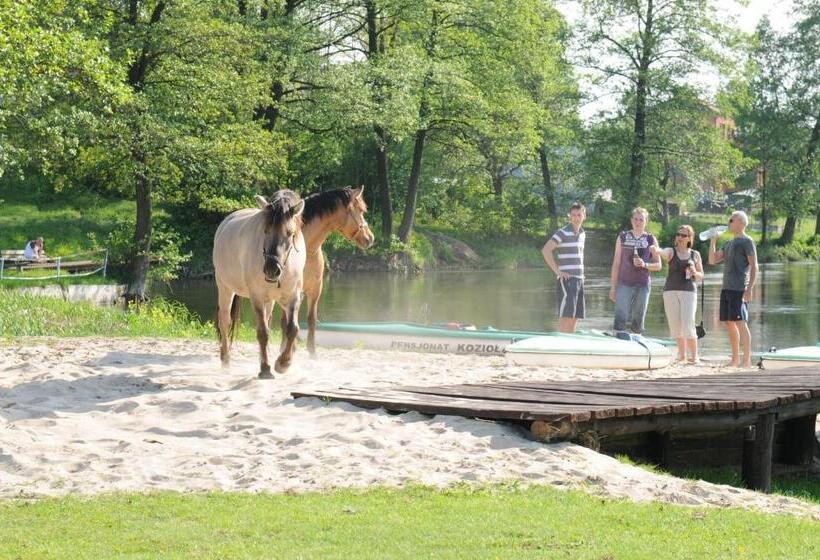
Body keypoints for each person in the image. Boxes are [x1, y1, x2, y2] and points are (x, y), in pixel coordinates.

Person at [708, 210, 759, 368]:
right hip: (727, 288)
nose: (729, 222)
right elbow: (711, 260)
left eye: (732, 220)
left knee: (740, 322)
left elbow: (754, 266)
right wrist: (713, 241)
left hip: (739, 288)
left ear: (741, 223)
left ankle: (746, 360)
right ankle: (735, 359)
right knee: (729, 322)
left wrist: (749, 288)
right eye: (730, 220)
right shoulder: (729, 243)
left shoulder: (747, 241)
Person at [651, 225, 704, 364]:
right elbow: (662, 252)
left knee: (688, 323)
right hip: (670, 291)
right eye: (678, 234)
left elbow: (701, 276)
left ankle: (694, 356)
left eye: (683, 235)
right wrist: (655, 250)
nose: (680, 237)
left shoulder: (695, 254)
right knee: (675, 325)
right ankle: (682, 356)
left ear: (689, 238)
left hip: (689, 291)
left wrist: (694, 272)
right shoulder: (671, 251)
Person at [609, 207, 661, 334]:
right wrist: (613, 287)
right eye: (636, 219)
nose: (638, 222)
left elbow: (658, 265)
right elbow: (616, 263)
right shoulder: (622, 237)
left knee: (638, 320)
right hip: (624, 283)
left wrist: (645, 264)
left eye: (641, 219)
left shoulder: (650, 239)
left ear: (646, 221)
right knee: (620, 318)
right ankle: (618, 343)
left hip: (643, 284)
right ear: (631, 220)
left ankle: (637, 345)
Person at [542, 202, 586, 333]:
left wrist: (582, 276)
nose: (576, 218)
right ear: (569, 216)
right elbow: (546, 250)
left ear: (584, 216)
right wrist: (558, 271)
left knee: (575, 316)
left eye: (579, 215)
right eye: (573, 215)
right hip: (567, 280)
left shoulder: (583, 234)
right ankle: (560, 342)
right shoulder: (562, 233)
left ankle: (570, 343)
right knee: (566, 315)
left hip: (579, 279)